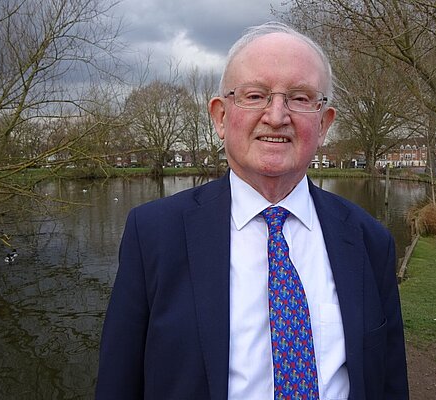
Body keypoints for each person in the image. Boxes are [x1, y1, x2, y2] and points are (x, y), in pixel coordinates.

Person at [95, 21, 409, 400]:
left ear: (324, 124)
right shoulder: (153, 235)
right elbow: (118, 384)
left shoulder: (370, 241)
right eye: (255, 95)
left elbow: (389, 383)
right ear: (220, 117)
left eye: (300, 97)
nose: (277, 116)